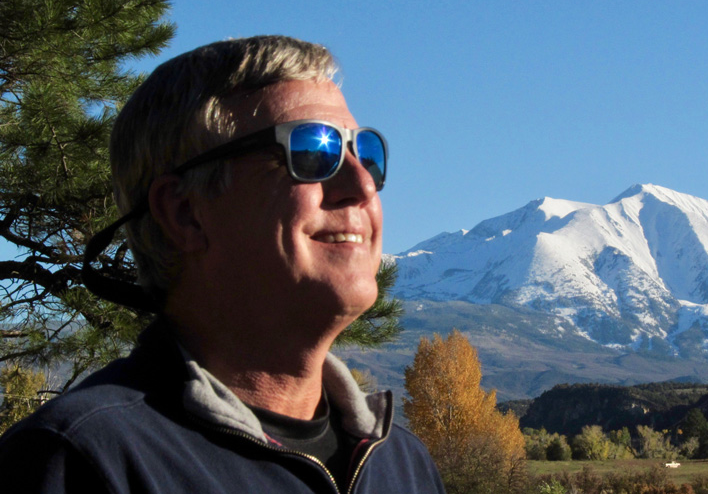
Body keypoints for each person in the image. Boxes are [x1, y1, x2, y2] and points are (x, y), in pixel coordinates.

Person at [0, 35, 445, 494]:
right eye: (314, 150)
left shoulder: (402, 464)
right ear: (185, 212)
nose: (363, 185)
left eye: (365, 153)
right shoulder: (81, 462)